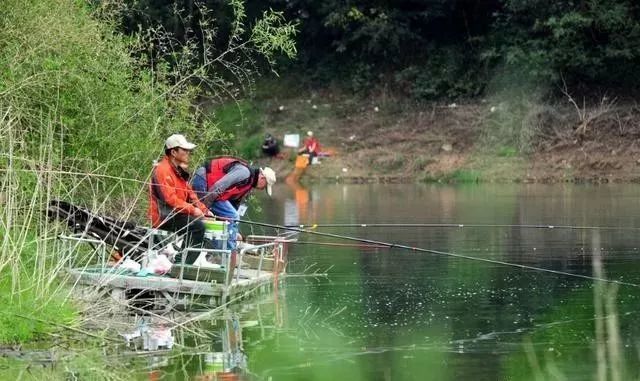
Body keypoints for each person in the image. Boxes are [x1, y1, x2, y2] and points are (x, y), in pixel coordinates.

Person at [149, 134, 213, 264]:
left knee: (202, 225)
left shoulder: (176, 170)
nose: (188, 152)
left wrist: (204, 210)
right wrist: (193, 210)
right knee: (198, 227)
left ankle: (180, 261)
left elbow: (190, 193)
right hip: (164, 216)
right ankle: (181, 265)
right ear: (173, 152)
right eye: (184, 150)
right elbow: (170, 199)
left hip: (176, 213)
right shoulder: (162, 170)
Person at [191, 157, 276, 249]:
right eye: (265, 186)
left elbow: (233, 206)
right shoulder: (244, 173)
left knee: (230, 217)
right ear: (262, 178)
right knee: (231, 216)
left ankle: (217, 253)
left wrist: (234, 231)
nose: (263, 189)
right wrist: (204, 210)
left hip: (213, 192)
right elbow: (218, 187)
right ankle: (230, 253)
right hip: (203, 180)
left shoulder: (249, 184)